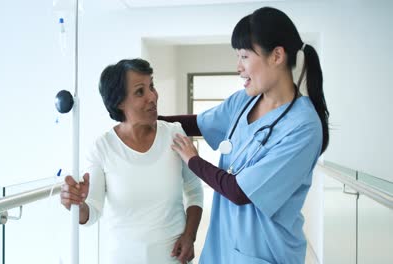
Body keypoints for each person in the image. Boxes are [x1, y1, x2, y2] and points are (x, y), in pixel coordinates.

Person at [160, 7, 329, 264]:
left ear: (277, 56)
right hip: (223, 248)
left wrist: (192, 160)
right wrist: (149, 119)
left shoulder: (303, 127)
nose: (238, 67)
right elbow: (199, 124)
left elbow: (240, 191)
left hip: (268, 252)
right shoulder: (244, 101)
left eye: (244, 56)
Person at [60, 58, 204, 264]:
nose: (152, 97)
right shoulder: (102, 148)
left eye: (151, 86)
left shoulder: (174, 133)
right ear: (119, 102)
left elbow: (194, 190)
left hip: (173, 258)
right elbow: (91, 212)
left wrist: (190, 236)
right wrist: (77, 204)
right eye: (140, 91)